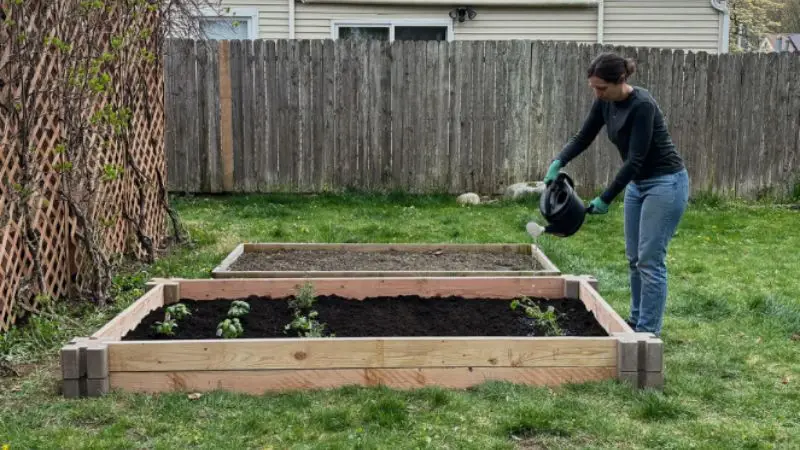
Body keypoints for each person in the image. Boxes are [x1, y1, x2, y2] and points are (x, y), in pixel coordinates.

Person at [542, 52, 689, 336]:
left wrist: (606, 198)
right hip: (638, 185)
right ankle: (635, 321)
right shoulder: (604, 102)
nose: (597, 92)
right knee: (634, 258)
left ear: (620, 81)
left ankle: (647, 333)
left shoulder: (642, 105)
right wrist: (559, 161)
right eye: (594, 87)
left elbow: (635, 160)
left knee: (650, 259)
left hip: (665, 183)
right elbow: (583, 137)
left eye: (601, 87)